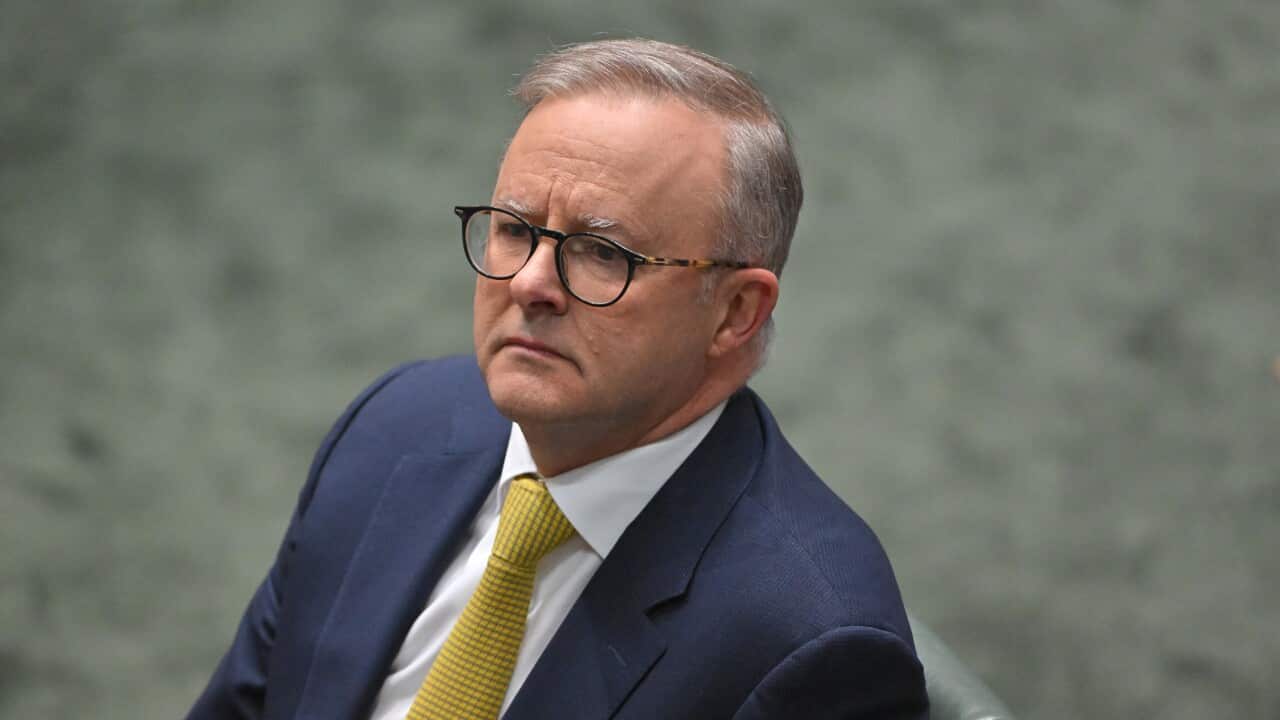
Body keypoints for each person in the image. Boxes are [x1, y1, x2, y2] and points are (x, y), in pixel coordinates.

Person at [190, 38, 928, 719]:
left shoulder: (813, 644)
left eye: (602, 252)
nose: (531, 284)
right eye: (514, 229)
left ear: (735, 311)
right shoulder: (391, 429)